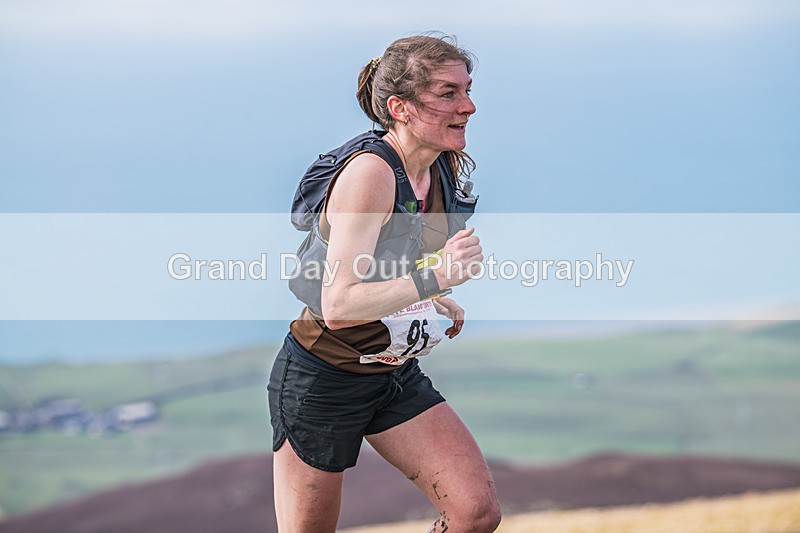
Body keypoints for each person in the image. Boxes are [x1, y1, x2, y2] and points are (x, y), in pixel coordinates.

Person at [268, 34, 501, 533]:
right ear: (400, 107)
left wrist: (434, 295)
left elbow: (391, 262)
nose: (469, 106)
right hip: (322, 379)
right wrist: (434, 276)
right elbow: (340, 304)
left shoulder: (438, 166)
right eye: (448, 93)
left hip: (392, 375)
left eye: (467, 90)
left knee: (474, 514)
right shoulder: (369, 174)